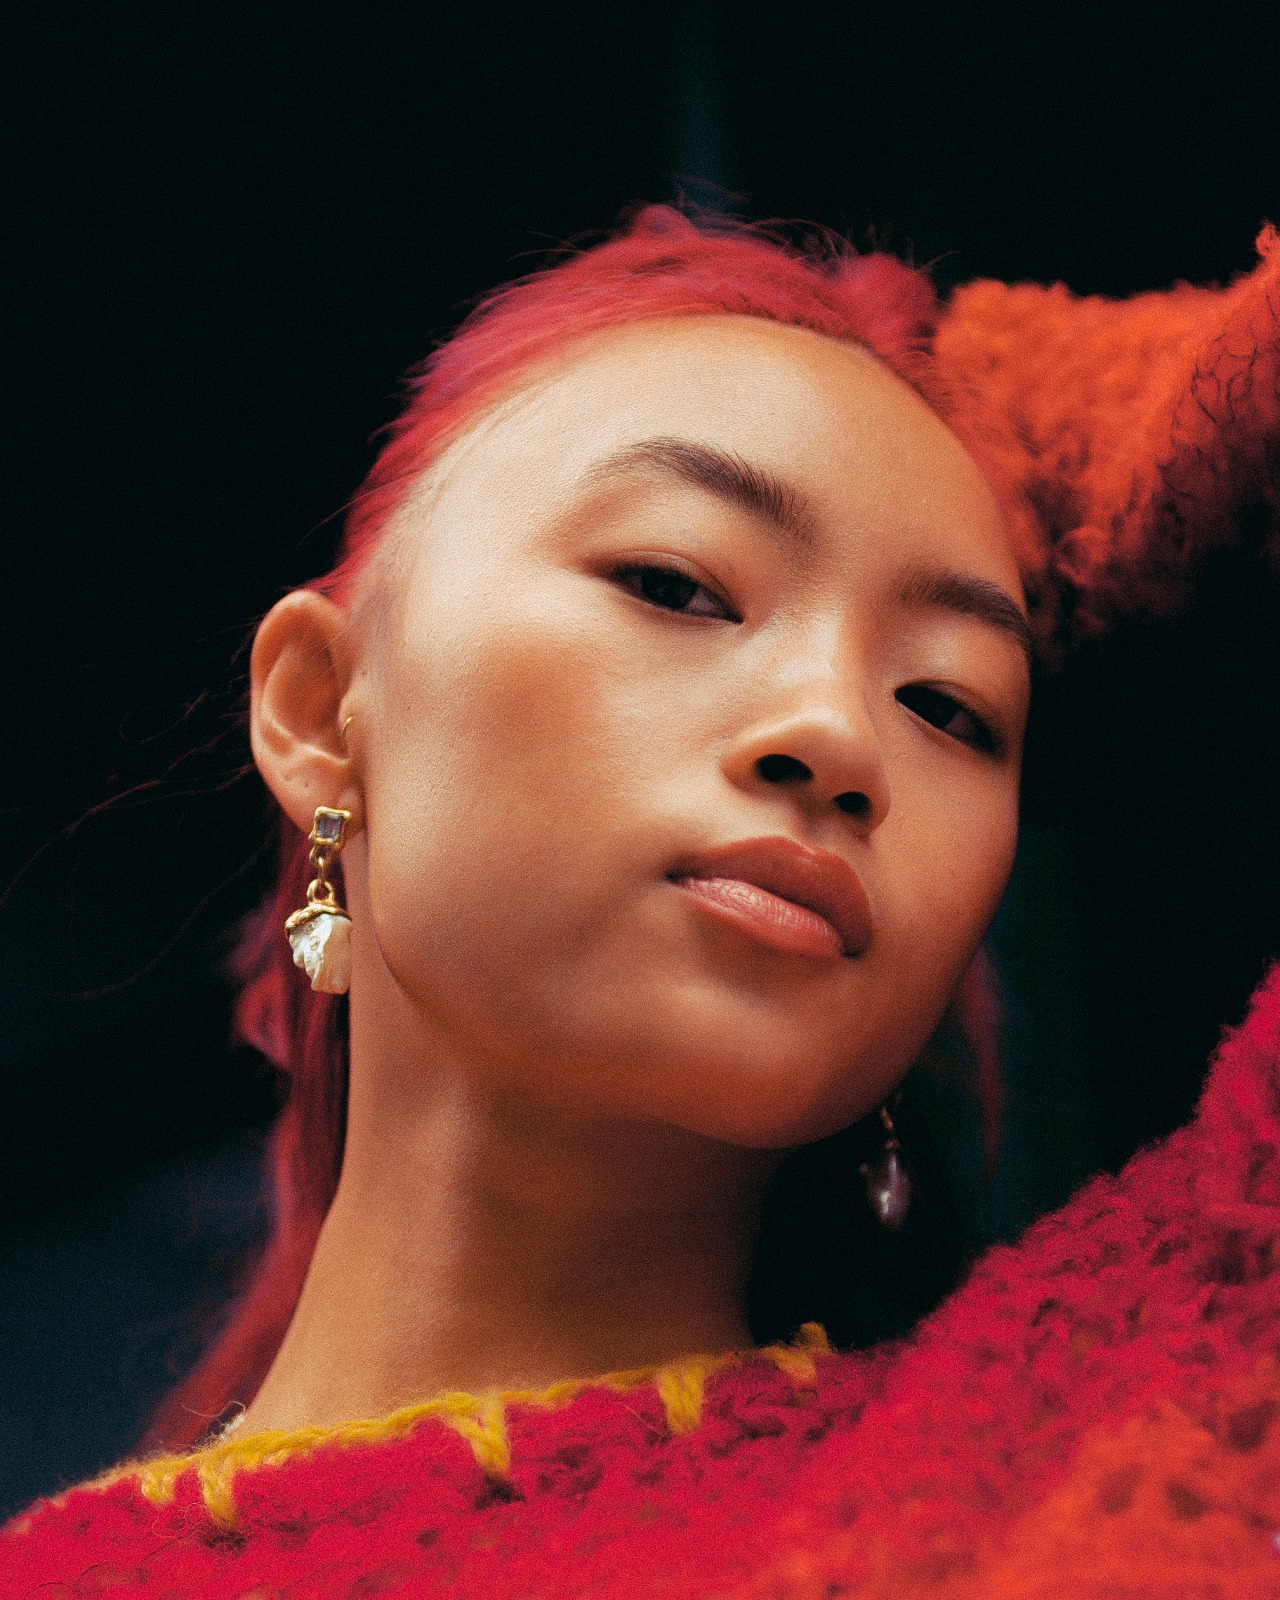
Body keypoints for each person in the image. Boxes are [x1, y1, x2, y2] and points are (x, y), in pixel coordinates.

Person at [6, 208, 1280, 1598]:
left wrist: (1061, 400)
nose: (837, 734)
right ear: (319, 709)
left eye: (948, 704)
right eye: (675, 584)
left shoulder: (1108, 1416)